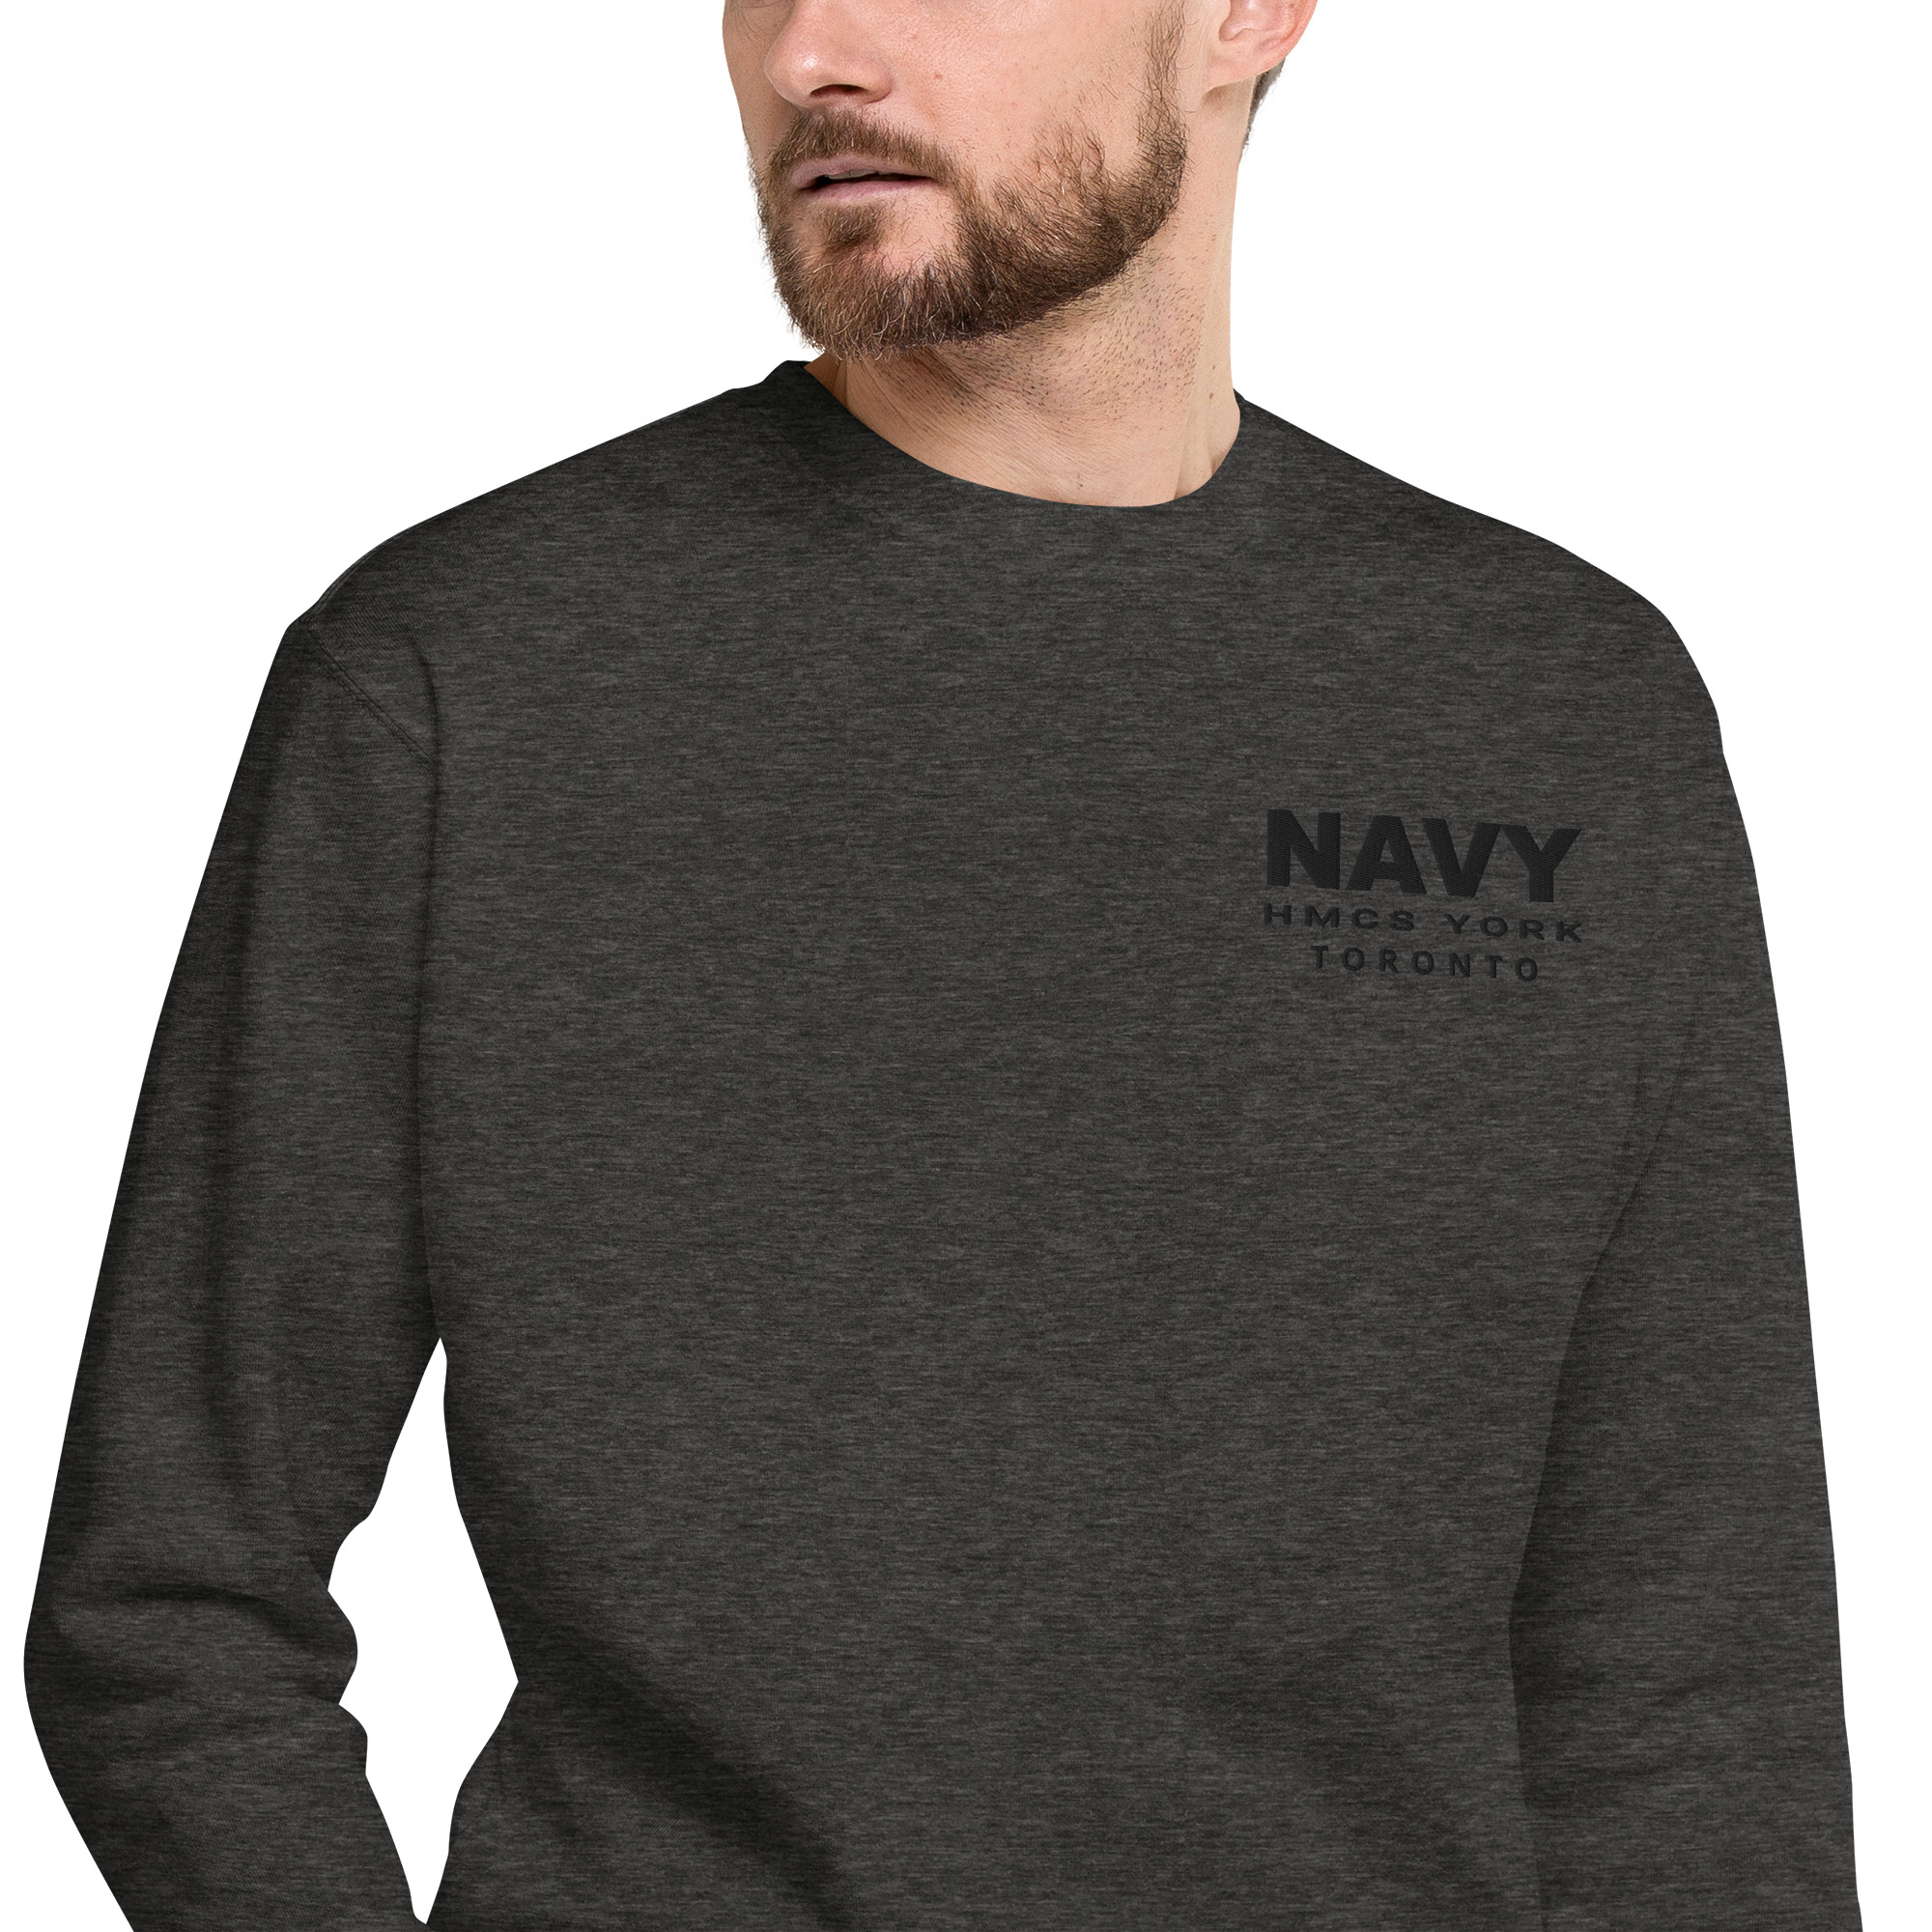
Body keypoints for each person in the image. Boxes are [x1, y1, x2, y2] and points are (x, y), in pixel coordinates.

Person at [25, 2, 1863, 1927]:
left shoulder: (1554, 709)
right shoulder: (471, 680)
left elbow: (1690, 1691)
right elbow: (171, 1610)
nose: (810, 50)